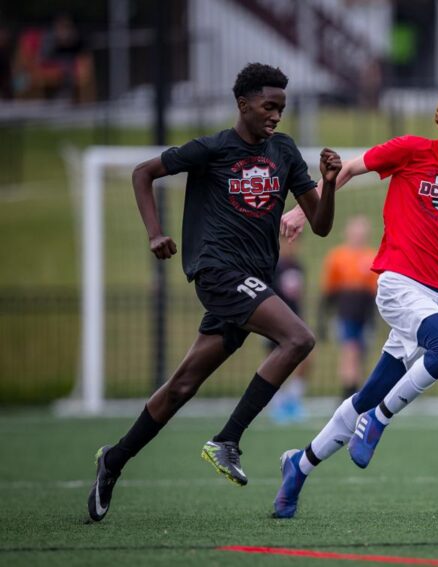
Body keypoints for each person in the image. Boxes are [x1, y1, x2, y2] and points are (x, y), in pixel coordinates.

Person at [87, 62, 341, 523]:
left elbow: (320, 226)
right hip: (218, 274)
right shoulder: (212, 149)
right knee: (299, 338)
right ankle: (227, 440)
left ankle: (114, 460)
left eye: (282, 107)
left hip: (252, 283)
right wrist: (153, 234)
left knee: (182, 385)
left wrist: (326, 181)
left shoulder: (283, 151)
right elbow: (143, 173)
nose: (277, 115)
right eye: (269, 106)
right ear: (243, 104)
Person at [273, 73, 438, 519]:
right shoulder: (410, 150)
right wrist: (304, 211)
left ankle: (298, 467)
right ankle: (379, 419)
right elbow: (347, 169)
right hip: (399, 283)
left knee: (365, 395)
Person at [320, 215, 378, 399]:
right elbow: (330, 290)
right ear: (347, 233)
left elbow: (375, 291)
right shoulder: (338, 257)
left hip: (365, 312)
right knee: (349, 350)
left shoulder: (372, 256)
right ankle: (348, 394)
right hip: (346, 312)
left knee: (360, 353)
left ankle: (355, 391)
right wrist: (323, 317)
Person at [267, 233, 311, 423]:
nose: (291, 246)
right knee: (276, 362)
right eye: (287, 241)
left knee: (306, 359)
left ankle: (292, 400)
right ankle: (275, 402)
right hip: (275, 322)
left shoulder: (298, 266)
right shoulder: (273, 266)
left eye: (295, 241)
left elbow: (298, 299)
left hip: (295, 322)